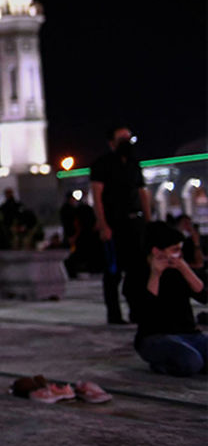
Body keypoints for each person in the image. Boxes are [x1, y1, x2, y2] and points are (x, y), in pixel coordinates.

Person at [90, 125, 152, 325]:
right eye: (122, 138)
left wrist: (148, 222)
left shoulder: (134, 164)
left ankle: (138, 311)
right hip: (114, 224)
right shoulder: (102, 164)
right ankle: (114, 314)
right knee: (113, 272)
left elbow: (142, 193)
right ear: (111, 143)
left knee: (139, 271)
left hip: (136, 223)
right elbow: (97, 196)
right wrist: (103, 225)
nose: (126, 141)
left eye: (128, 137)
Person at [133, 222, 207, 376]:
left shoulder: (178, 268)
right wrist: (156, 275)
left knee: (196, 358)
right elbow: (144, 313)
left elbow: (203, 295)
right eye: (175, 250)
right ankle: (162, 364)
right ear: (156, 251)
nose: (179, 255)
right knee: (192, 362)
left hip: (189, 334)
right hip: (155, 337)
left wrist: (184, 268)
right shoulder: (139, 273)